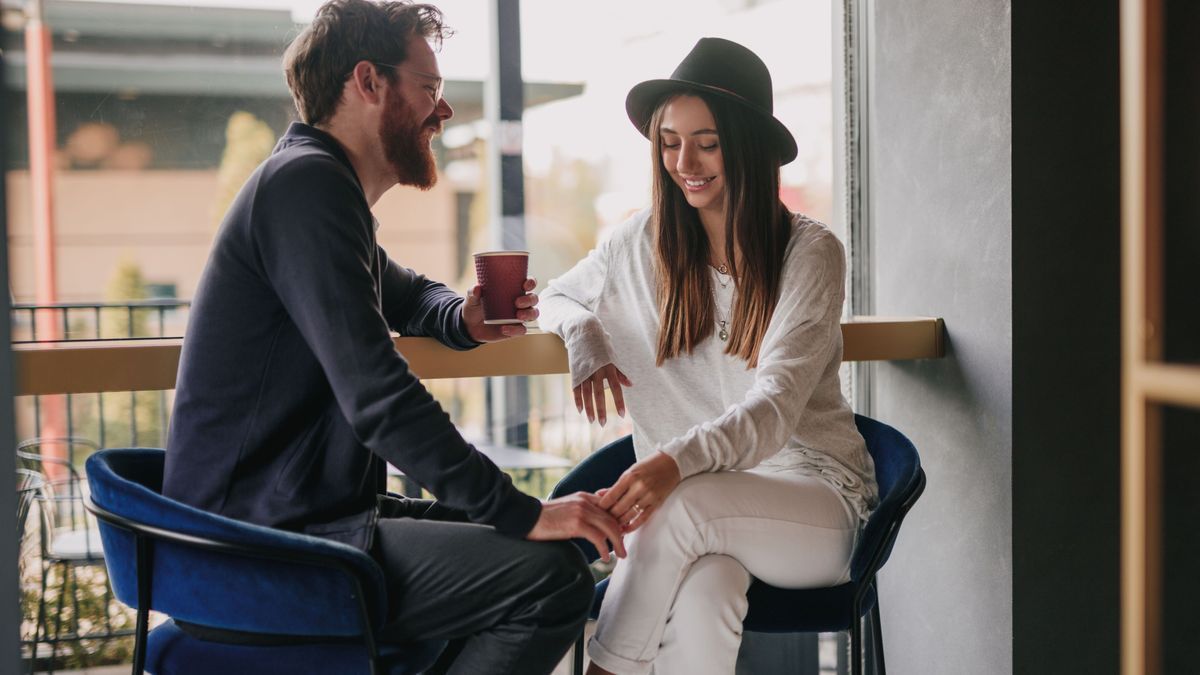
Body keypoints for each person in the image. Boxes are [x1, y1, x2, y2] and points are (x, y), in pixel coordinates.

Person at [162, 2, 625, 673]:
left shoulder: (318, 186)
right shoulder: (308, 187)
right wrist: (518, 510)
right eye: (430, 89)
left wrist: (460, 318)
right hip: (258, 548)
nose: (444, 113)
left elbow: (407, 293)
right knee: (550, 579)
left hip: (294, 519)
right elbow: (378, 394)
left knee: (534, 549)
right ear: (368, 83)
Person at [539, 37, 880, 675]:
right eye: (669, 141)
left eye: (707, 141)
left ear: (747, 143)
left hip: (817, 503)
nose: (683, 161)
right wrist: (583, 333)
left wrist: (672, 464)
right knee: (706, 596)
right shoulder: (640, 241)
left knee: (681, 507)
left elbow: (774, 408)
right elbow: (555, 297)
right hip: (709, 518)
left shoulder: (809, 253)